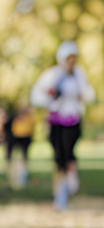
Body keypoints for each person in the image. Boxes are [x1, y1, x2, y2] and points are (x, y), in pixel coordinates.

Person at [31, 41, 96, 210]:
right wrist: (50, 97)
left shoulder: (79, 75)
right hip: (55, 121)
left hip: (72, 120)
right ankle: (60, 196)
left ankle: (70, 176)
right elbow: (37, 95)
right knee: (59, 157)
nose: (71, 62)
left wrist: (86, 96)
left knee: (68, 153)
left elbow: (88, 93)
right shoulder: (52, 75)